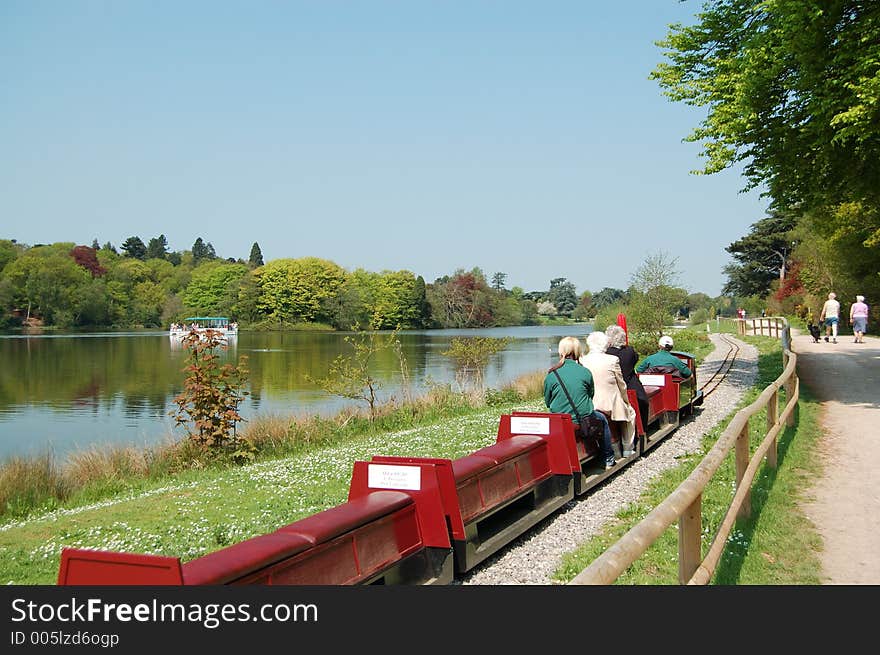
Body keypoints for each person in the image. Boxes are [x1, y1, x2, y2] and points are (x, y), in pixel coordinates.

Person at [544, 336, 616, 470]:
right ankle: (608, 458)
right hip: (583, 419)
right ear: (577, 352)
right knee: (603, 420)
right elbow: (590, 395)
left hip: (560, 420)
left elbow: (548, 402)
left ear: (561, 352)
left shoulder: (552, 374)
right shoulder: (585, 372)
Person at [580, 331, 638, 457]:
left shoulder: (583, 360)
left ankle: (614, 449)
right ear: (605, 345)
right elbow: (621, 383)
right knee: (630, 414)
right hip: (610, 402)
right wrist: (625, 400)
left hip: (592, 402)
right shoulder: (612, 360)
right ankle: (627, 448)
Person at [605, 324, 650, 437]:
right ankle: (643, 429)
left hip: (613, 386)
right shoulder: (630, 351)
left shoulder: (607, 353)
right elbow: (635, 359)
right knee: (643, 402)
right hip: (631, 384)